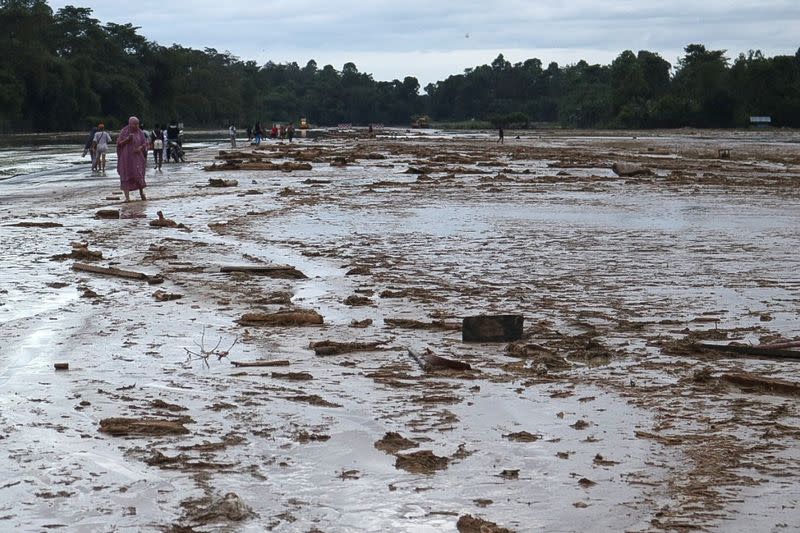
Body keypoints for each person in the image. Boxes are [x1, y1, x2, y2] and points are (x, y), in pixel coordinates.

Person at [116, 116, 148, 202]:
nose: (136, 126)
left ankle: (142, 193)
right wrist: (127, 140)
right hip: (126, 158)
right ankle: (127, 198)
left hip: (137, 157)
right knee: (126, 175)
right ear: (130, 124)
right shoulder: (124, 131)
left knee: (138, 174)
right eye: (134, 124)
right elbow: (119, 143)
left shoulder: (140, 132)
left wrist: (140, 148)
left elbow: (144, 143)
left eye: (137, 124)